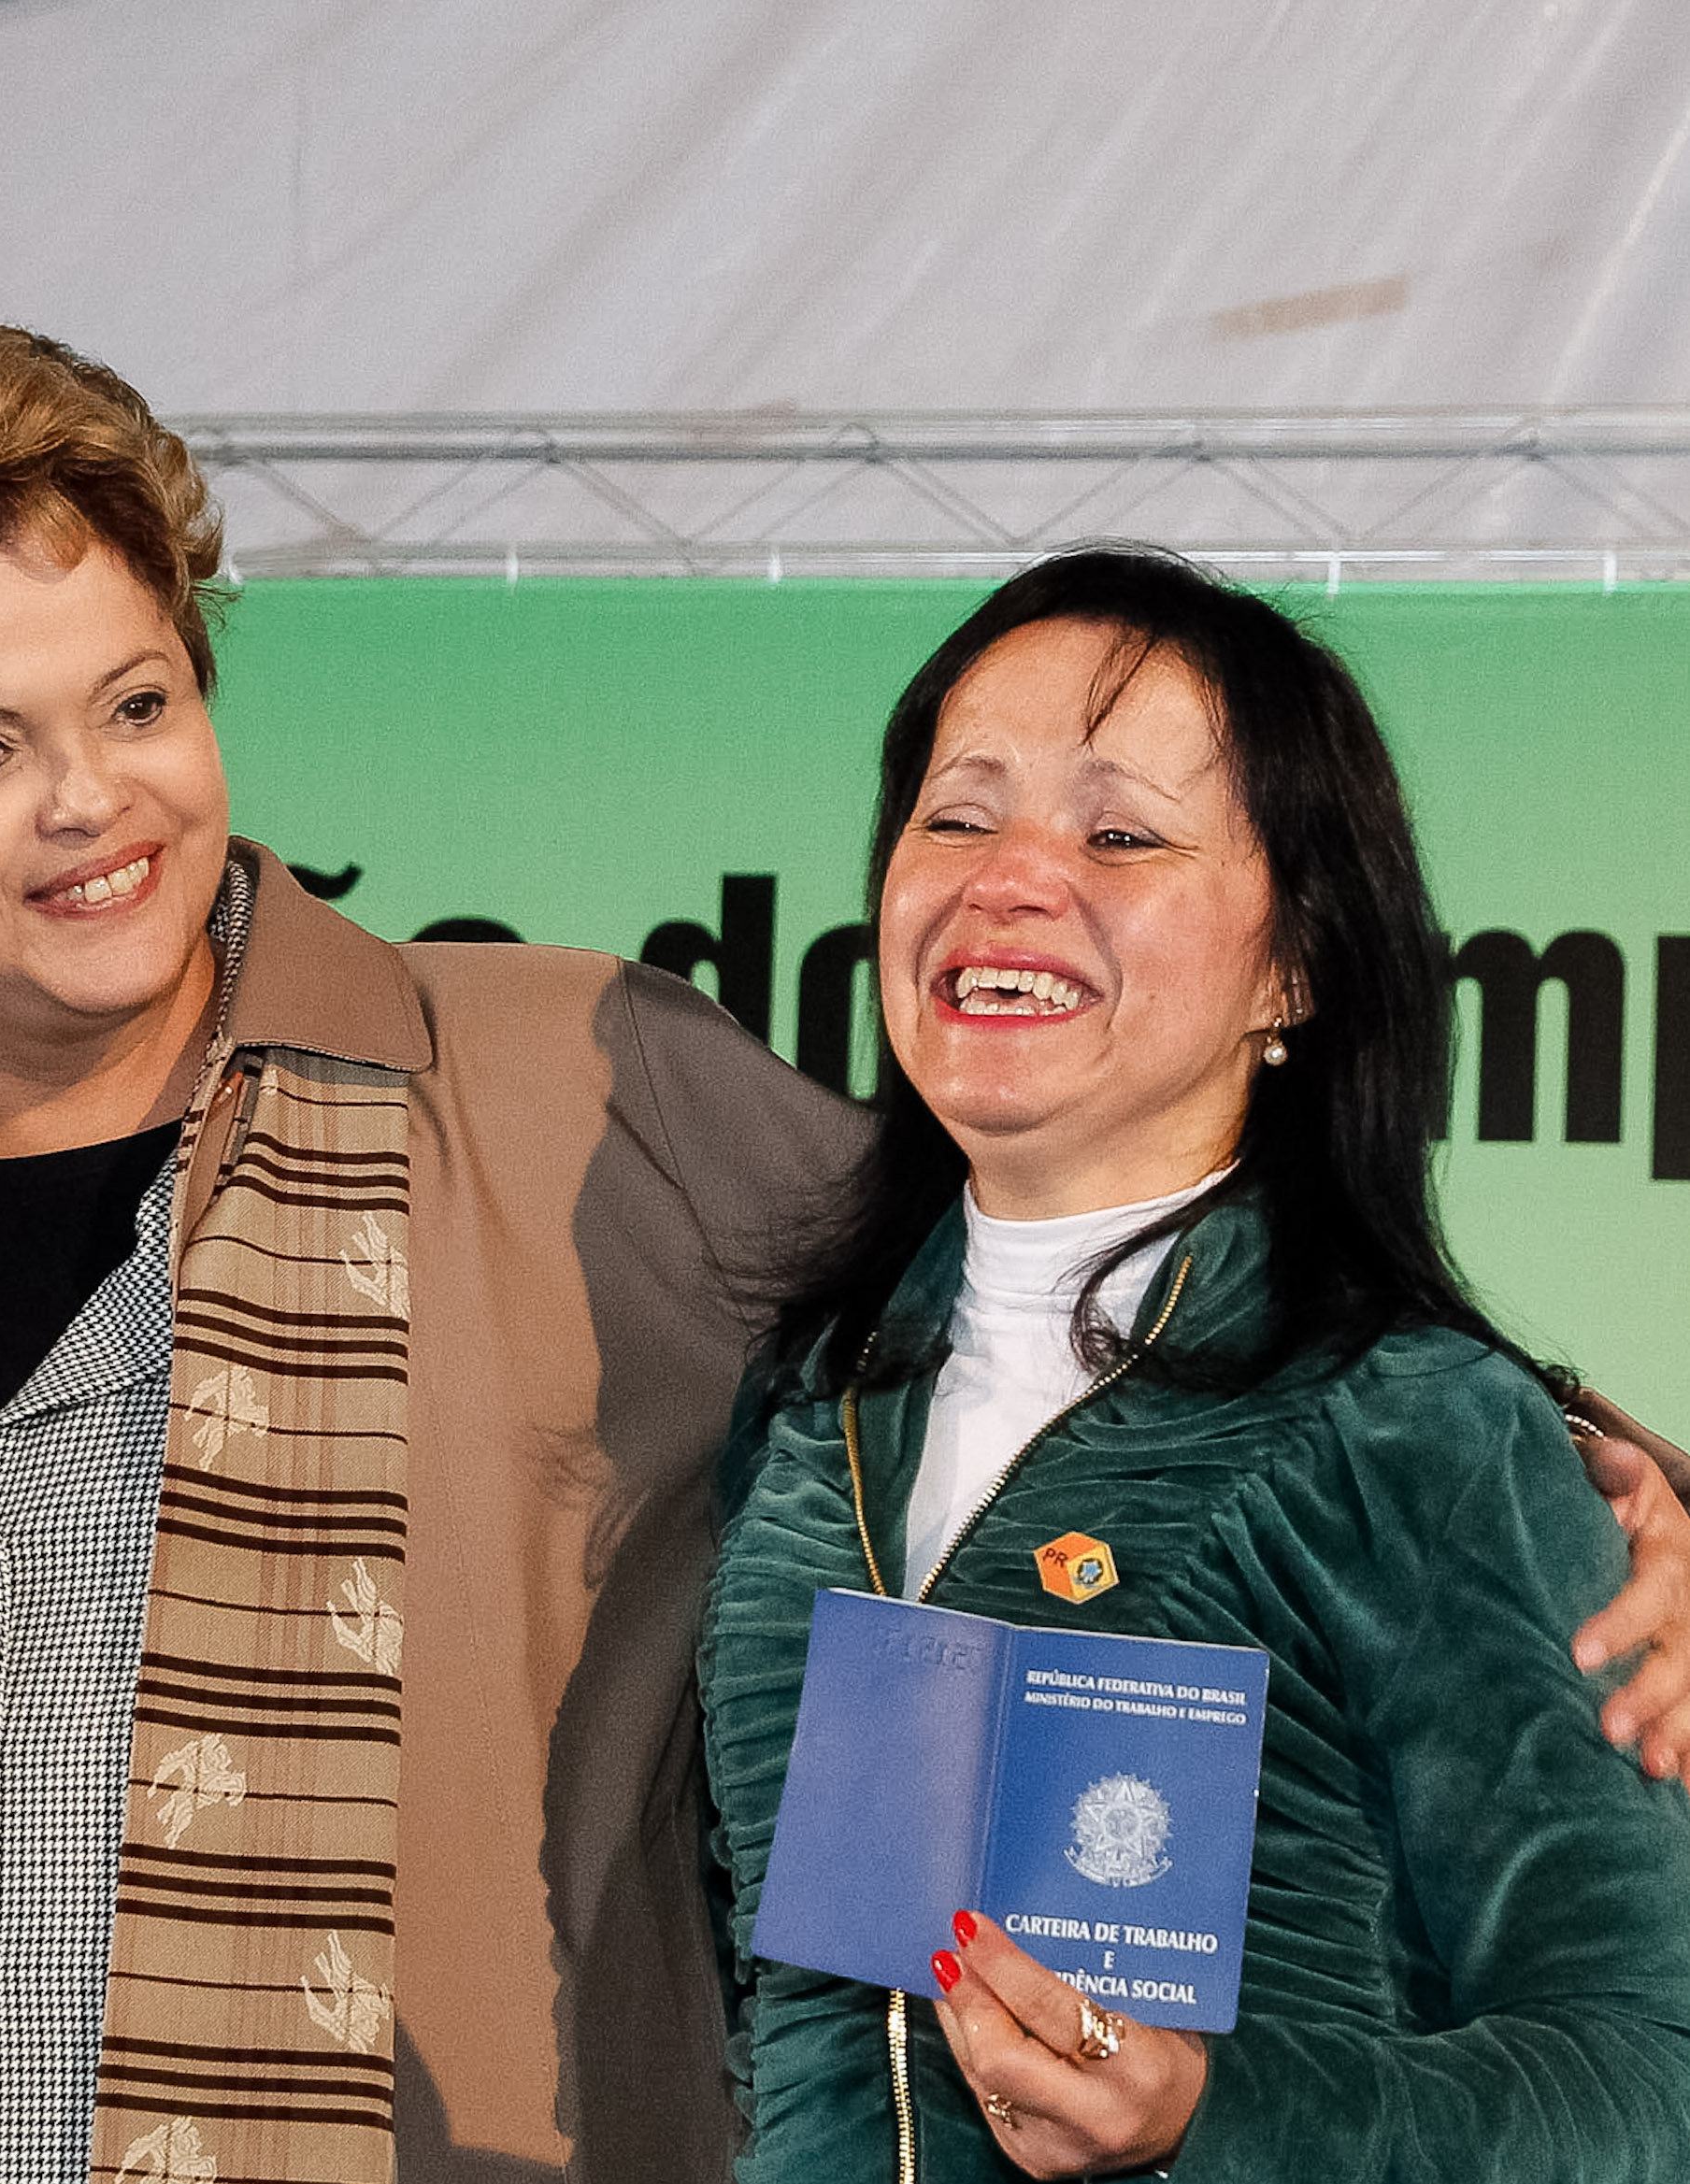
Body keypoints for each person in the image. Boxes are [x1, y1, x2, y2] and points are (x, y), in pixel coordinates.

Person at [0, 321, 1690, 2184]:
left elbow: (1081, 1241)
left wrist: (1600, 1463)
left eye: (137, 699)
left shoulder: (567, 1082)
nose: (97, 802)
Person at [700, 548, 1690, 2180]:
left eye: (1117, 831)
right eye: (957, 814)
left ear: (1293, 963)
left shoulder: (1418, 1427)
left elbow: (1646, 2076)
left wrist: (1206, 2114)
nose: (1008, 880)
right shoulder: (809, 1406)